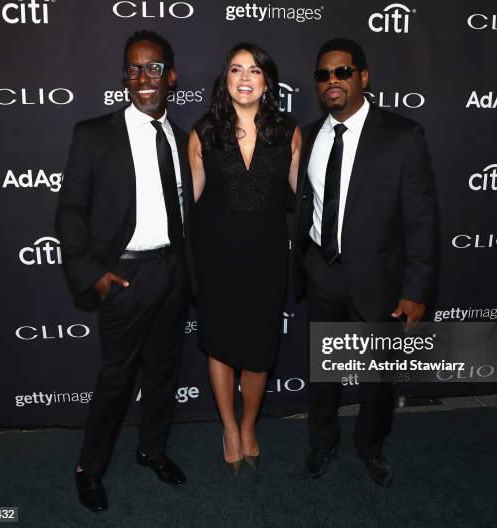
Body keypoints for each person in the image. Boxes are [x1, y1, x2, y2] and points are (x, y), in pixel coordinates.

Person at [55, 30, 194, 512]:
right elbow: (70, 210)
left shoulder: (181, 138)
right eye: (133, 68)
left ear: (171, 75)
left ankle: (151, 450)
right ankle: (88, 469)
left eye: (153, 67)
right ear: (124, 77)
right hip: (124, 278)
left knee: (162, 373)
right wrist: (93, 273)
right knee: (116, 380)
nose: (143, 77)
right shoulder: (94, 134)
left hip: (172, 273)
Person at [293, 38, 438, 486]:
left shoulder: (401, 135)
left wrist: (416, 290)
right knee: (323, 372)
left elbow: (422, 219)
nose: (332, 81)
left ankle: (370, 446)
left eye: (342, 72)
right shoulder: (311, 134)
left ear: (363, 77)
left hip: (378, 278)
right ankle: (322, 443)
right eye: (323, 75)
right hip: (321, 271)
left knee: (377, 378)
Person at [188, 43, 301, 474]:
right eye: (236, 69)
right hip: (215, 258)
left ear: (267, 81)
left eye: (254, 70)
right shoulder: (204, 132)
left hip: (268, 258)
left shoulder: (288, 132)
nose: (244, 77)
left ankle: (250, 425)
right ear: (227, 80)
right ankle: (229, 428)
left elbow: (308, 199)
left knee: (257, 351)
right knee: (220, 346)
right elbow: (186, 203)